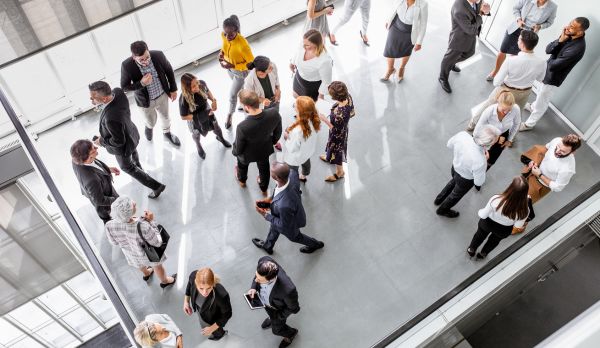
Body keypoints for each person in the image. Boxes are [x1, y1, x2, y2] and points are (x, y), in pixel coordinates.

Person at [89, 81, 166, 199]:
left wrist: (102, 142)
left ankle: (156, 186)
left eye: (93, 98)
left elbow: (118, 141)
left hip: (123, 147)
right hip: (131, 134)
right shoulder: (118, 92)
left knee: (127, 167)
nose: (91, 100)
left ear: (104, 99)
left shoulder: (110, 118)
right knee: (133, 152)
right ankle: (139, 167)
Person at [520, 17, 589, 131]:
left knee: (543, 99)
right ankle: (533, 106)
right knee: (541, 92)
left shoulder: (577, 48)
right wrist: (560, 40)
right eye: (570, 23)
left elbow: (553, 65)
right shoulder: (567, 35)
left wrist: (543, 63)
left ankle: (529, 124)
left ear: (580, 32)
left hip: (554, 77)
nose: (568, 27)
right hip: (547, 72)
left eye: (572, 27)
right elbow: (548, 50)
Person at [467, 30, 545, 129]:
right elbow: (540, 79)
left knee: (488, 105)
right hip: (525, 93)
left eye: (518, 39)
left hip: (507, 90)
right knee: (517, 115)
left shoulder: (511, 60)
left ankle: (473, 124)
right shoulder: (542, 62)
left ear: (521, 42)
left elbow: (496, 82)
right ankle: (510, 137)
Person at [253, 162, 325, 254]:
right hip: (284, 213)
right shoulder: (292, 174)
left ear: (276, 177)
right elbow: (278, 191)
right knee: (274, 228)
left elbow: (283, 224)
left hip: (289, 223)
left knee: (295, 237)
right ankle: (268, 246)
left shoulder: (284, 206)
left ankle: (315, 244)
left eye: (271, 172)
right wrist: (269, 200)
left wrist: (265, 215)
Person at [105, 196, 176, 288]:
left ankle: (146, 273)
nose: (134, 203)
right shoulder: (143, 226)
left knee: (139, 264)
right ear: (129, 212)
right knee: (157, 266)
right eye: (132, 204)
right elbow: (158, 242)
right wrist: (151, 222)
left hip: (130, 254)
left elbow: (114, 242)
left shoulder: (109, 225)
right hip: (148, 255)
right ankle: (165, 281)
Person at [121, 41, 180, 146]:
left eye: (147, 57)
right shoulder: (126, 66)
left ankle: (167, 133)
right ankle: (149, 127)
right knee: (151, 121)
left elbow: (168, 69)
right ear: (134, 57)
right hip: (145, 102)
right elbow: (124, 87)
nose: (146, 61)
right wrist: (141, 83)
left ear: (148, 50)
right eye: (141, 60)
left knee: (165, 117)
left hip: (162, 95)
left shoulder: (158, 55)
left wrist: (173, 89)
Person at [516, 134, 579, 233]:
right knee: (515, 193)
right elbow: (546, 148)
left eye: (563, 151)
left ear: (573, 152)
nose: (557, 151)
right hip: (531, 172)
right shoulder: (557, 140)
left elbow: (558, 187)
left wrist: (540, 175)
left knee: (522, 204)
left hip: (540, 185)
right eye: (558, 147)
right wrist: (534, 162)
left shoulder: (568, 168)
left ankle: (520, 226)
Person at [434, 125, 501, 218]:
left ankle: (439, 199)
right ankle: (442, 210)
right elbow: (478, 182)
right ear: (487, 144)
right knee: (455, 195)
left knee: (452, 182)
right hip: (465, 180)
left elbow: (449, 144)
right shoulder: (481, 160)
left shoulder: (462, 135)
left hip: (455, 168)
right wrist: (485, 161)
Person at [486, 0, 557, 81]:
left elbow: (550, 22)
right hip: (516, 28)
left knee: (517, 56)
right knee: (503, 50)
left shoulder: (553, 7)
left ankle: (506, 75)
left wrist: (540, 26)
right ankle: (495, 72)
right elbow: (516, 8)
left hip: (529, 35)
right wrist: (519, 20)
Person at [232, 90, 282, 195]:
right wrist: (272, 141)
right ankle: (263, 187)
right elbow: (278, 132)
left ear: (246, 107)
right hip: (264, 149)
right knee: (264, 168)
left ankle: (242, 180)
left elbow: (239, 148)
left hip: (247, 155)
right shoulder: (274, 113)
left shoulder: (242, 127)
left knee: (242, 165)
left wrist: (235, 152)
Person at [467, 176, 530, 259]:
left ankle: (472, 249)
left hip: (487, 223)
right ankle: (483, 253)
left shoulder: (496, 199)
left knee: (479, 235)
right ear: (525, 193)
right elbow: (518, 226)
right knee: (494, 241)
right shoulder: (525, 210)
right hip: (504, 230)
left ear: (510, 187)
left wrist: (479, 211)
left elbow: (483, 215)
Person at [246, 256, 300, 348]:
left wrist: (278, 317)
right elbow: (257, 276)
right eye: (256, 275)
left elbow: (294, 308)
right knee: (269, 312)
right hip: (268, 304)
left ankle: (291, 334)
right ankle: (271, 318)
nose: (255, 280)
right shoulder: (264, 261)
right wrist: (253, 287)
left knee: (277, 330)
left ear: (270, 279)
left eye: (259, 280)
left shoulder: (288, 290)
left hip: (277, 311)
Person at [439, 0, 491, 93]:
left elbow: (480, 10)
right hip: (459, 38)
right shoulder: (459, 9)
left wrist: (486, 11)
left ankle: (451, 64)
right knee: (448, 58)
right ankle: (442, 78)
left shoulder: (478, 1)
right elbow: (470, 29)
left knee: (470, 53)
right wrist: (480, 16)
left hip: (470, 36)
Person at [179, 73, 231, 160]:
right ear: (187, 88)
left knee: (216, 127)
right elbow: (183, 117)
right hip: (194, 117)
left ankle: (220, 138)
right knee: (196, 135)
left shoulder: (201, 84)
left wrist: (214, 100)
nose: (197, 87)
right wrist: (199, 116)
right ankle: (198, 146)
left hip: (207, 110)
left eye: (197, 83)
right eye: (193, 86)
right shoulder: (183, 99)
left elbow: (207, 91)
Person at [218, 15, 255, 129]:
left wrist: (234, 65)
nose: (227, 36)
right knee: (241, 89)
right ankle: (243, 104)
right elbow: (224, 47)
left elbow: (251, 64)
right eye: (226, 33)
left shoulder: (242, 44)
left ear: (236, 30)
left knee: (232, 95)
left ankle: (229, 115)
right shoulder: (223, 35)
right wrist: (221, 53)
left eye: (231, 34)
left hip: (240, 72)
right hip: (229, 70)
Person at [70, 139, 119, 224]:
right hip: (102, 199)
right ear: (89, 158)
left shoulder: (76, 159)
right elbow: (99, 200)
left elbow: (94, 164)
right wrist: (116, 200)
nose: (97, 148)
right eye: (94, 149)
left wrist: (108, 169)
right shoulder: (91, 180)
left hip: (99, 187)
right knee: (107, 216)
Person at [382, 0, 428, 82]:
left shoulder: (423, 4)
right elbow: (393, 7)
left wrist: (419, 42)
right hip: (396, 25)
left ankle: (402, 68)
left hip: (409, 32)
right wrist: (388, 20)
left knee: (406, 51)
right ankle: (390, 69)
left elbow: (423, 24)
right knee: (389, 49)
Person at [473, 91, 521, 169]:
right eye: (504, 109)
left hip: (503, 135)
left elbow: (516, 124)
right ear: (498, 102)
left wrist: (509, 139)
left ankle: (485, 169)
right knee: (479, 155)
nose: (506, 112)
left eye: (509, 110)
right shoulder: (489, 111)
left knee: (492, 158)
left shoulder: (516, 109)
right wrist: (476, 143)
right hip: (488, 134)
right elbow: (478, 128)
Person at [319, 81, 354, 182]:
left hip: (338, 135)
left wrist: (325, 120)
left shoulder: (341, 114)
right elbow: (351, 112)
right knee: (331, 144)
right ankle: (329, 156)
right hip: (342, 129)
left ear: (335, 98)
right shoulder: (348, 96)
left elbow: (335, 130)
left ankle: (340, 172)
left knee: (338, 150)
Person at [183, 268, 232, 341]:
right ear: (196, 283)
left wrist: (212, 328)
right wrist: (186, 301)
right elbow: (189, 285)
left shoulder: (221, 295)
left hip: (214, 319)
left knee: (217, 332)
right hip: (201, 311)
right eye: (201, 288)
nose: (205, 292)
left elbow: (227, 314)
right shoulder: (193, 276)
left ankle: (220, 335)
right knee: (203, 321)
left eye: (209, 288)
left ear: (213, 284)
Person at [282, 96, 321, 183]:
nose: (294, 106)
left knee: (292, 170)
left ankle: (295, 184)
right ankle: (304, 175)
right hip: (308, 151)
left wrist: (287, 137)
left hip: (295, 156)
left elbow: (292, 148)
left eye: (295, 105)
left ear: (300, 111)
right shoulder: (314, 119)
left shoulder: (297, 132)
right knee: (306, 162)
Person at [290, 29, 333, 101]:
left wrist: (321, 96)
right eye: (303, 43)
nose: (303, 46)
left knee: (309, 104)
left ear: (316, 44)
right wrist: (292, 63)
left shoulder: (324, 61)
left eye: (307, 45)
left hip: (311, 86)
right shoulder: (304, 44)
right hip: (299, 77)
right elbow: (297, 53)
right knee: (295, 95)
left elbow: (326, 82)